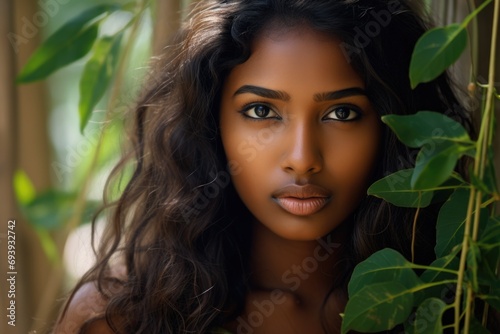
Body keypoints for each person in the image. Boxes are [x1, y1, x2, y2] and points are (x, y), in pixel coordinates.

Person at [53, 0, 484, 333]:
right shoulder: (122, 319)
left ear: (395, 125)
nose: (302, 158)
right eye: (262, 112)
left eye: (342, 114)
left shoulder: (457, 302)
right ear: (210, 121)